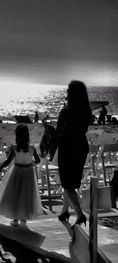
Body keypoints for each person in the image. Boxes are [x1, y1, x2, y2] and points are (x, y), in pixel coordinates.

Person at [56, 80, 92, 228]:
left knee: (67, 184)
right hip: (81, 146)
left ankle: (79, 214)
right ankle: (65, 211)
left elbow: (59, 130)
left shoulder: (66, 112)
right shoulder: (87, 111)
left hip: (68, 147)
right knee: (71, 183)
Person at [0, 125, 41, 226]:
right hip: (28, 173)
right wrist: (30, 163)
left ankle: (15, 218)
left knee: (15, 194)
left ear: (17, 136)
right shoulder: (32, 148)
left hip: (17, 171)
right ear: (27, 136)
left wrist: (1, 167)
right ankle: (24, 216)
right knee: (27, 195)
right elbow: (38, 160)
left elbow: (8, 161)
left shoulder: (14, 148)